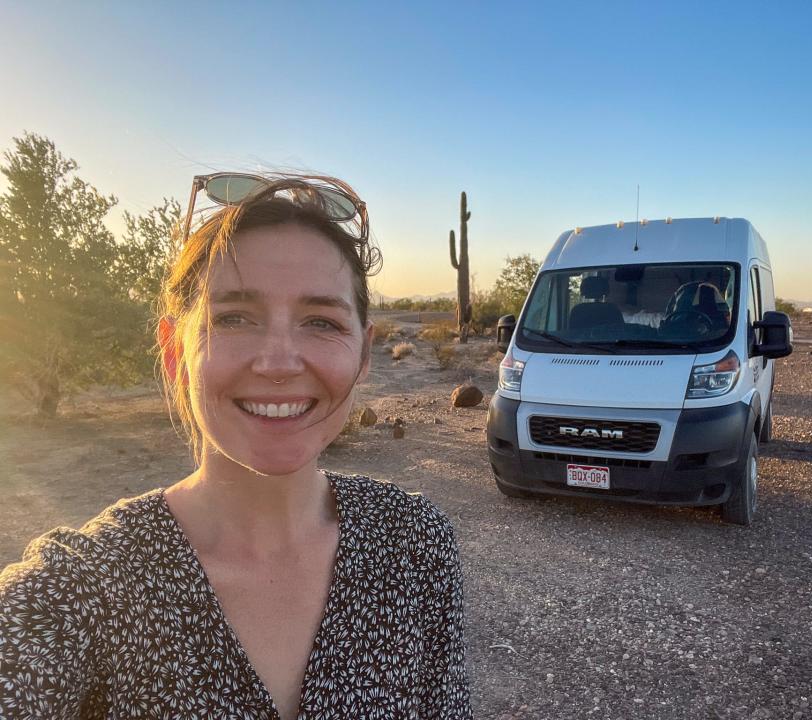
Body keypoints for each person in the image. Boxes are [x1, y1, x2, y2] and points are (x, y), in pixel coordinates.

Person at [0, 174, 473, 719]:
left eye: (320, 321)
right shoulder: (85, 586)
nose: (278, 362)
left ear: (364, 354)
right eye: (232, 319)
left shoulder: (415, 545)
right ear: (175, 352)